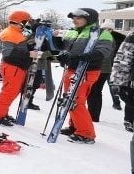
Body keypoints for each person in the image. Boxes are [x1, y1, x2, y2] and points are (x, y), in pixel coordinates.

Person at [53, 8, 114, 143]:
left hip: (87, 71)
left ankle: (86, 133)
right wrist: (57, 42)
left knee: (75, 101)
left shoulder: (102, 33)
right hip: (72, 69)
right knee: (68, 98)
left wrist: (82, 58)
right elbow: (64, 48)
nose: (75, 20)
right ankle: (75, 125)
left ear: (89, 19)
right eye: (73, 18)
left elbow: (103, 51)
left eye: (78, 18)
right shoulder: (73, 32)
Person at [0, 10, 36, 126]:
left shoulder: (16, 32)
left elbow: (20, 47)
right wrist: (29, 54)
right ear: (21, 21)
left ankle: (2, 112)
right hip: (11, 67)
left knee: (11, 92)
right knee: (9, 92)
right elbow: (8, 55)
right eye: (26, 22)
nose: (28, 24)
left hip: (17, 67)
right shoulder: (10, 33)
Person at [87, 20, 125, 122]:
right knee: (96, 91)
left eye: (109, 29)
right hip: (105, 68)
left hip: (101, 68)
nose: (107, 31)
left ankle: (93, 115)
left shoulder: (107, 38)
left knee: (94, 91)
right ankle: (93, 115)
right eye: (105, 29)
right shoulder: (110, 38)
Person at [111, 29, 134, 134]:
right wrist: (117, 82)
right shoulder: (132, 37)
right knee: (130, 101)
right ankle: (129, 120)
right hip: (131, 81)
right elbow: (122, 60)